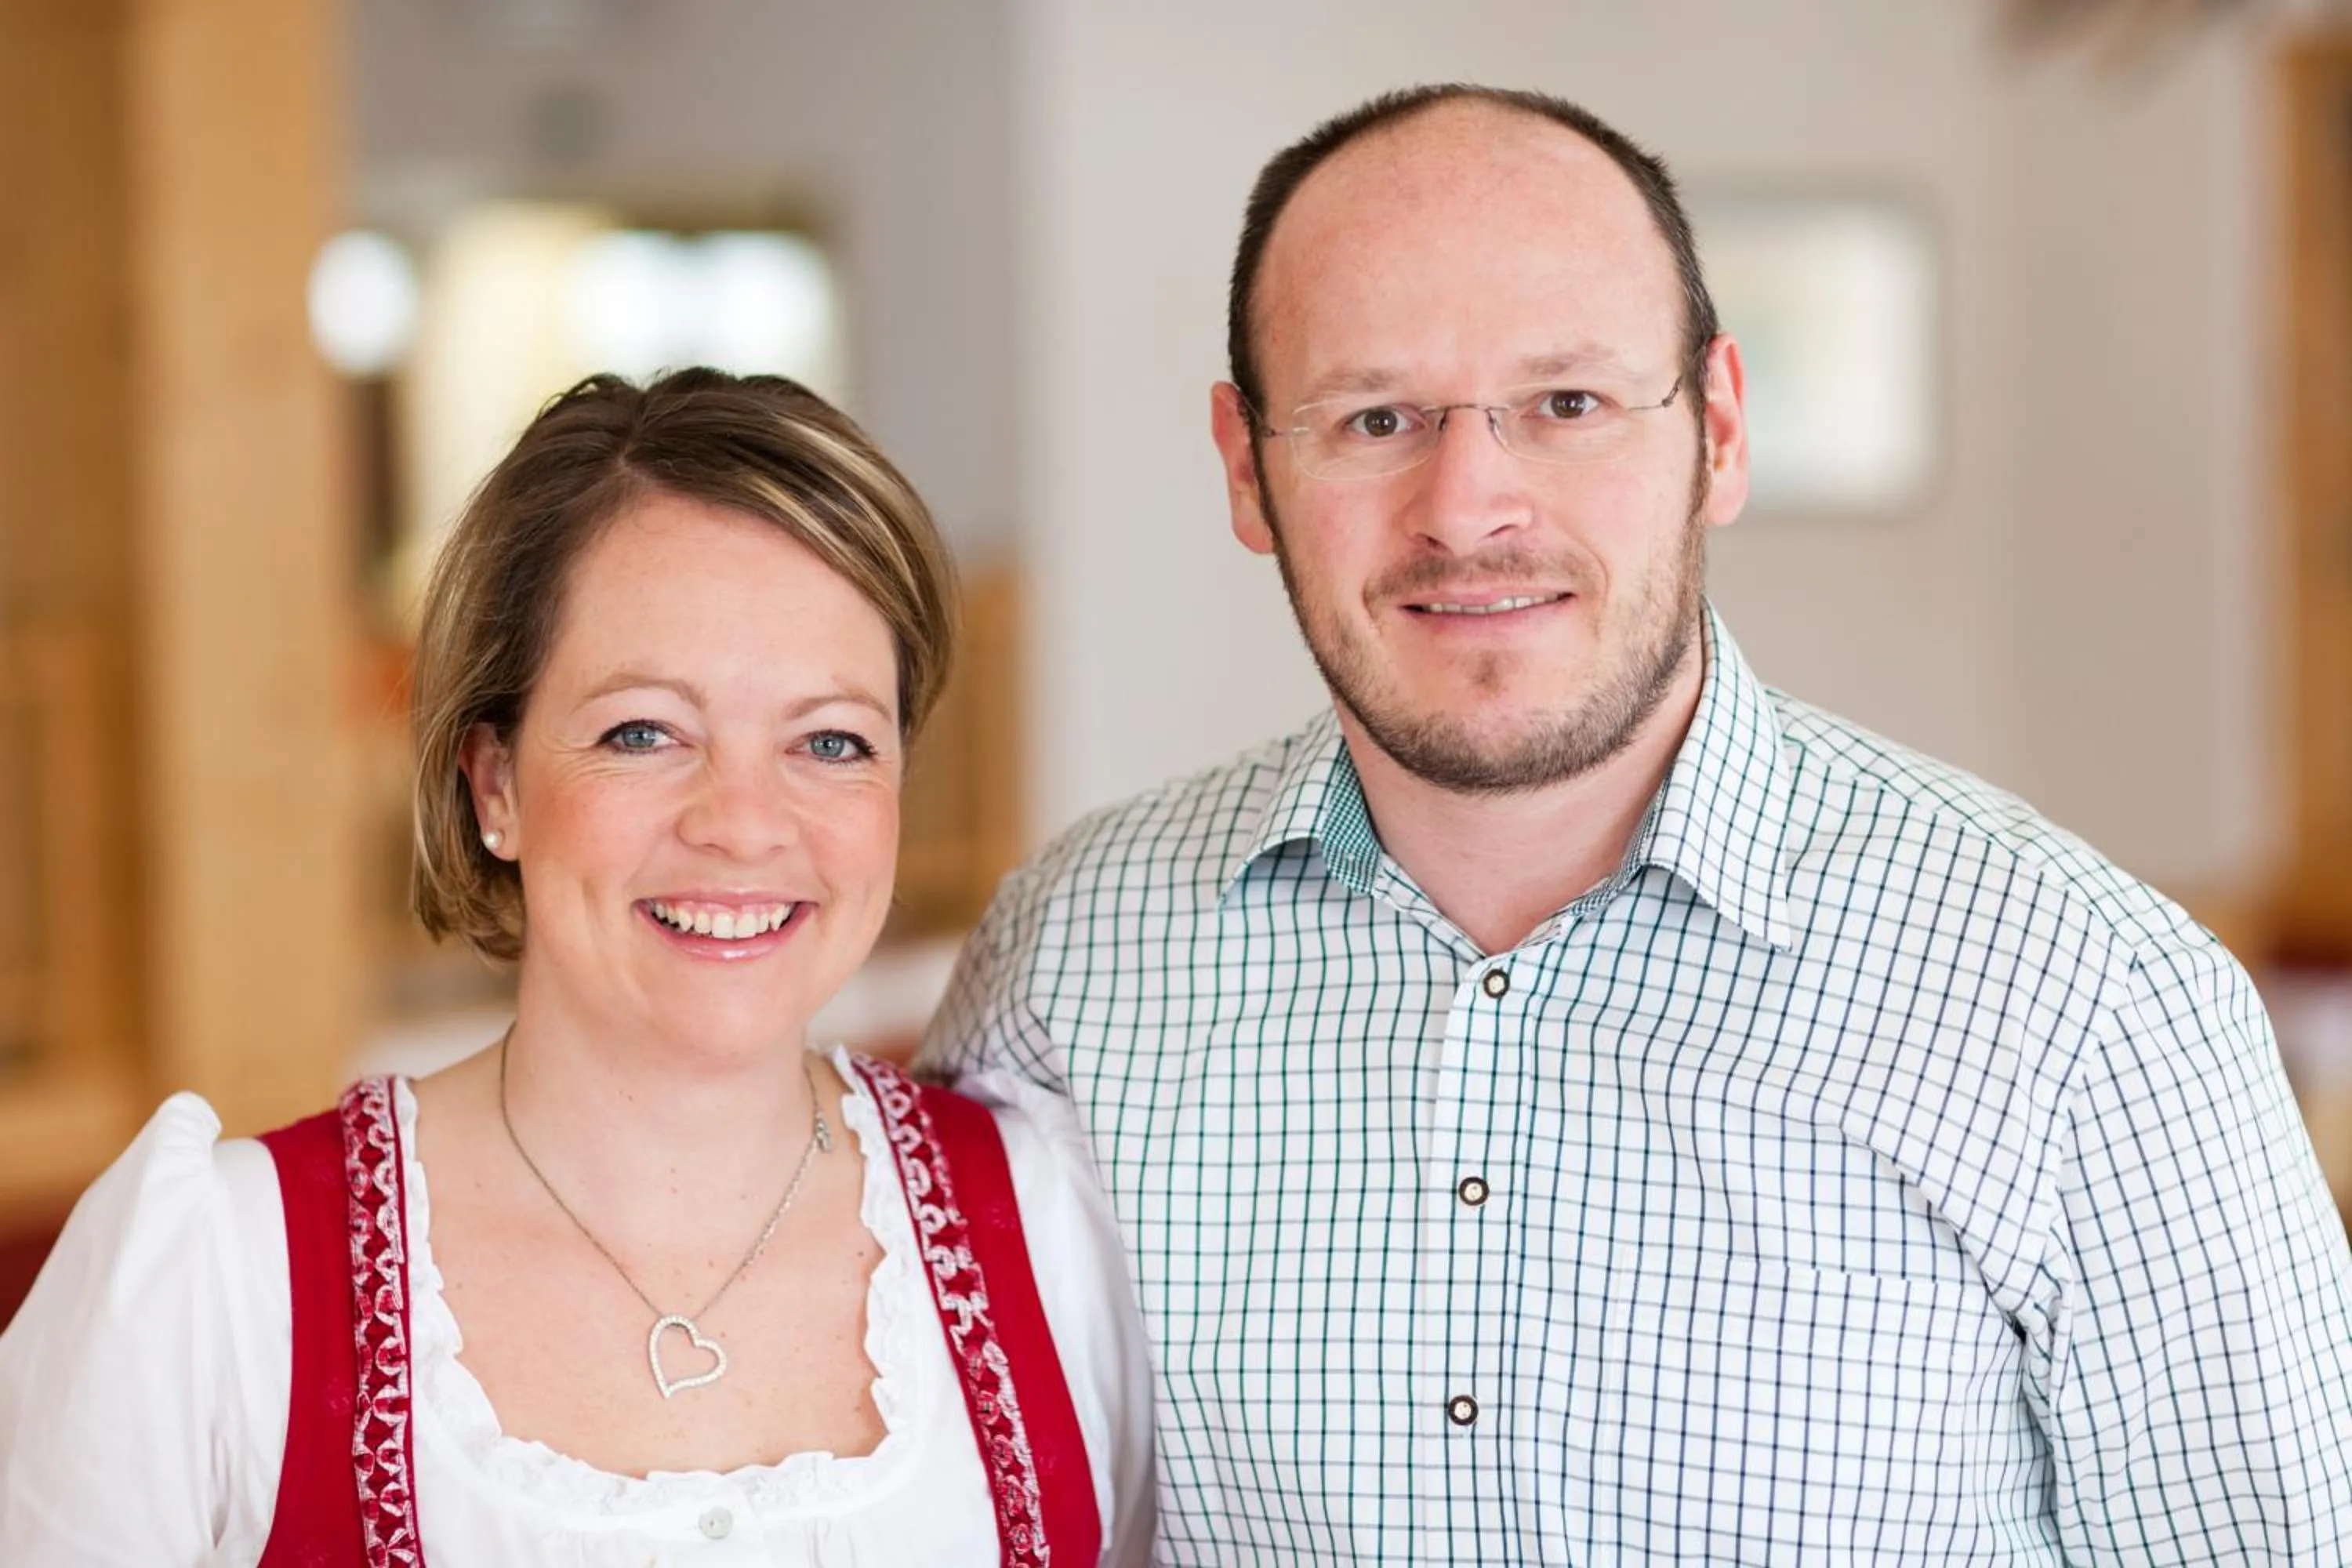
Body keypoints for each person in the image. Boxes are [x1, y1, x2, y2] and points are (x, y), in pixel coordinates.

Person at [925, 83, 2352, 1563]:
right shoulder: (1069, 964)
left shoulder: (2092, 1003)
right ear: (1248, 468)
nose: (1468, 506)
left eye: (1566, 404)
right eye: (1374, 416)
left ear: (1718, 431)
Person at [0, 369, 1154, 1565]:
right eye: (643, 732)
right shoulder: (222, 1283)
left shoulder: (1057, 1229)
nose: (746, 824)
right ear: (494, 783)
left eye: (832, 741)